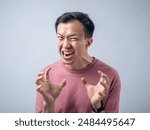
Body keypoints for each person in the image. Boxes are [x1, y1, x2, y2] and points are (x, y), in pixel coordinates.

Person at [35, 12, 121, 113]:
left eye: (73, 38)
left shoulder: (109, 76)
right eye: (60, 38)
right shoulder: (46, 75)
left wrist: (97, 106)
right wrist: (48, 104)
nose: (65, 45)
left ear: (88, 42)